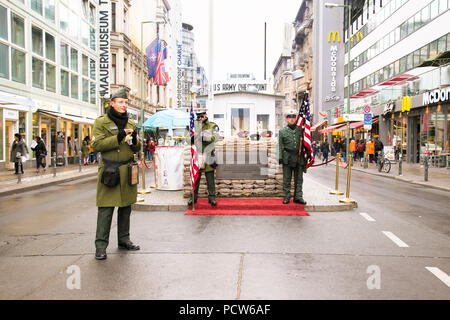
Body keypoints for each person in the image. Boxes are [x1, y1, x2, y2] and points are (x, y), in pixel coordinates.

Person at [92, 87, 142, 260]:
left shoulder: (130, 123)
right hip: (109, 170)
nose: (123, 105)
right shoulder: (101, 122)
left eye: (126, 103)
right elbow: (98, 145)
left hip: (127, 170)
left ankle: (124, 240)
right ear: (111, 103)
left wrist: (135, 140)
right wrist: (119, 136)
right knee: (105, 210)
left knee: (126, 207)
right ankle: (100, 246)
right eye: (120, 102)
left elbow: (137, 147)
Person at [188, 108, 219, 207]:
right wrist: (192, 138)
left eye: (202, 116)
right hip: (197, 155)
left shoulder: (212, 126)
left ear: (206, 115)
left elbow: (215, 137)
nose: (200, 118)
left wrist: (203, 138)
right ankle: (193, 198)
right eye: (198, 117)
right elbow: (188, 140)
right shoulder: (194, 126)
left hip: (208, 155)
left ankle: (212, 198)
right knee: (195, 178)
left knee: (210, 179)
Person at [278, 109, 310, 205]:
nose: (291, 119)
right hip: (287, 157)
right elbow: (280, 145)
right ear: (286, 119)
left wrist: (308, 153)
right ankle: (287, 197)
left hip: (299, 156)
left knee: (299, 179)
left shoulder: (301, 130)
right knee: (287, 178)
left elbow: (305, 143)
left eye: (293, 117)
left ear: (296, 118)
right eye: (289, 117)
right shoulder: (282, 131)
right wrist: (280, 157)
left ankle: (298, 197)